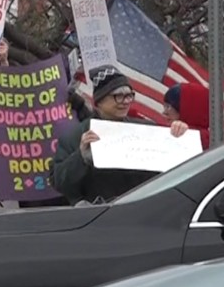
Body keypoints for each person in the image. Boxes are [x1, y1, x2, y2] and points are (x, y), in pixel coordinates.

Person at [54, 66, 190, 205]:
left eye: (129, 95)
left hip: (144, 211)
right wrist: (80, 158)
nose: (125, 102)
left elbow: (176, 171)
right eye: (118, 96)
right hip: (97, 217)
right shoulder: (75, 136)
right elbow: (59, 183)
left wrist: (178, 136)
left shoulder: (145, 130)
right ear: (99, 101)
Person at [163, 83, 210, 149]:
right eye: (164, 106)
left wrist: (187, 132)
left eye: (168, 106)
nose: (164, 112)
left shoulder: (212, 144)